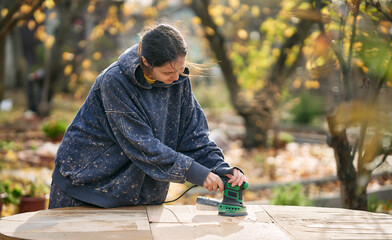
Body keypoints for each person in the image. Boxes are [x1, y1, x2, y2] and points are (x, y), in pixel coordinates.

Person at [49, 24, 247, 209]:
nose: (177, 77)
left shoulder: (178, 80)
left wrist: (221, 169)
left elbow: (194, 137)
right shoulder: (114, 81)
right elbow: (142, 145)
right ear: (146, 62)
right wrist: (196, 172)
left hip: (138, 195)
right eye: (169, 71)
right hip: (86, 188)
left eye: (181, 69)